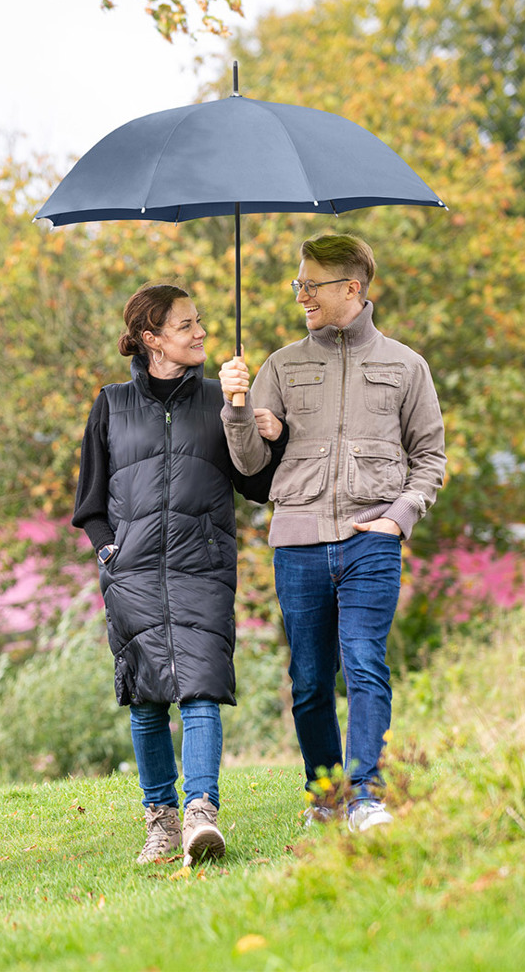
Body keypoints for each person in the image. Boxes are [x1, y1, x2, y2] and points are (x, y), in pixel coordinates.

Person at [218, 233, 446, 833]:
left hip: (372, 537)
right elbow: (248, 464)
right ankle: (327, 796)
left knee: (365, 662)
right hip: (298, 540)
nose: (301, 295)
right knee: (310, 681)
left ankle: (367, 796)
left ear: (352, 288)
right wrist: (238, 409)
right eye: (298, 284)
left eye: (310, 284)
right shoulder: (280, 365)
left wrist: (399, 517)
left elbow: (430, 458)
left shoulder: (406, 366)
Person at [73, 283, 286, 865]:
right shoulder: (111, 404)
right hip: (132, 572)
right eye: (186, 324)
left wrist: (261, 425)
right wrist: (109, 554)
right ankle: (161, 823)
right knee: (146, 700)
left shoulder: (221, 398)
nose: (201, 332)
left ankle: (200, 815)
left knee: (201, 688)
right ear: (151, 338)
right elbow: (90, 501)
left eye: (200, 321)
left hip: (203, 567)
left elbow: (258, 484)